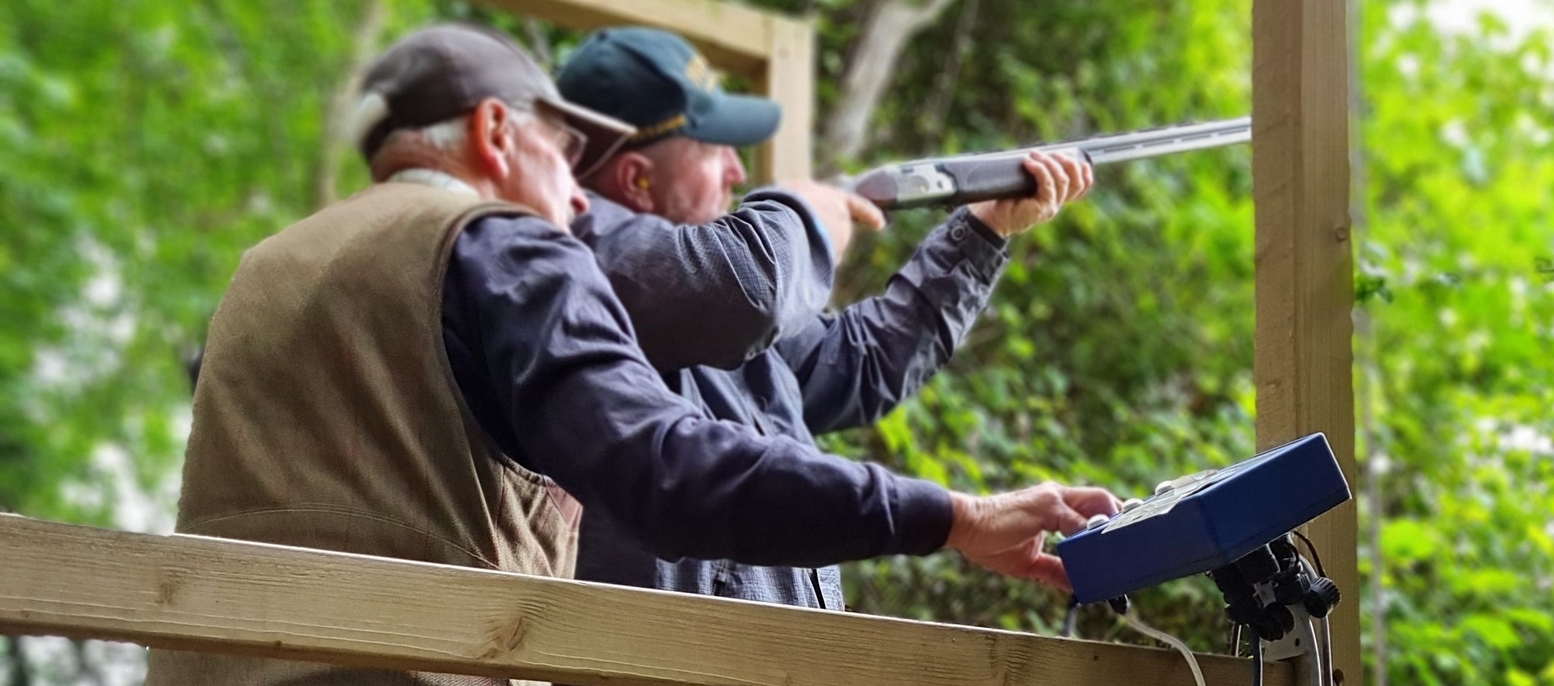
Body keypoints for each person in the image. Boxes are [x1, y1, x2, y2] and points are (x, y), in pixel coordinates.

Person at [145, 23, 1117, 685]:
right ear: (494, 131)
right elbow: (667, 464)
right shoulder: (512, 244)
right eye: (553, 155)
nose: (566, 196)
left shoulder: (268, 267)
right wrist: (950, 514)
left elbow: (853, 359)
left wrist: (980, 230)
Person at [552, 27, 1097, 612]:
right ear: (635, 177)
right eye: (714, 149)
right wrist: (804, 215)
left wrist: (984, 229)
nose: (737, 172)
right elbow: (752, 295)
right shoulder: (576, 261)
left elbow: (862, 363)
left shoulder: (705, 299)